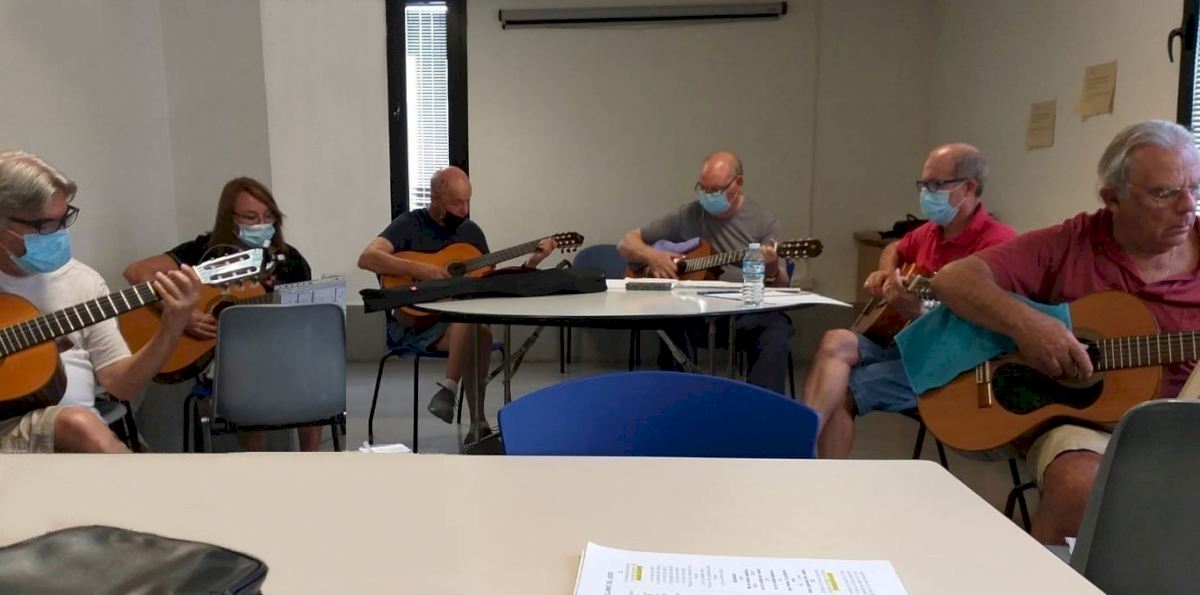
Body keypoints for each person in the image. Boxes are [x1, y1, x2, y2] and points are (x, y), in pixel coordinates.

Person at [932, 120, 1200, 545]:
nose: (1188, 207)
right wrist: (1031, 327)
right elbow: (953, 279)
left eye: (1195, 189)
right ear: (1113, 198)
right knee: (1079, 486)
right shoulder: (1071, 243)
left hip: (1184, 426)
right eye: (1164, 193)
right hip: (1083, 423)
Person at [802, 143, 1016, 459]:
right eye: (923, 184)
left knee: (841, 389)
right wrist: (886, 273)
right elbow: (894, 248)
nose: (926, 193)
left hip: (951, 366)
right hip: (908, 342)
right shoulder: (932, 231)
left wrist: (919, 313)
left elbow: (989, 328)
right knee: (835, 340)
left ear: (968, 187)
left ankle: (808, 454)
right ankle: (802, 436)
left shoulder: (998, 245)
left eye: (935, 184)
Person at [0, 151, 200, 453]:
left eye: (64, 219)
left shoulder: (84, 283)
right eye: (45, 225)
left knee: (81, 425)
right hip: (20, 429)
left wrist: (172, 326)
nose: (60, 233)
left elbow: (121, 384)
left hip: (79, 431)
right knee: (78, 425)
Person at [358, 166, 556, 443]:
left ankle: (456, 400)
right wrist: (420, 269)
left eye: (468, 202)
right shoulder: (409, 224)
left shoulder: (471, 233)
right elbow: (367, 258)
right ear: (435, 198)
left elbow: (490, 283)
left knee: (476, 324)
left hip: (457, 327)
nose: (464, 210)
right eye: (456, 203)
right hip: (415, 325)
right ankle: (476, 420)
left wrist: (531, 263)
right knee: (475, 326)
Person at [124, 177, 314, 451]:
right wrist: (181, 313)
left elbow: (304, 317)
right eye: (250, 217)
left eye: (268, 216)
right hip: (221, 359)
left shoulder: (290, 261)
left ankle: (312, 459)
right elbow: (136, 271)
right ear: (230, 219)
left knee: (312, 365)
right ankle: (255, 460)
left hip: (276, 349)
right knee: (249, 369)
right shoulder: (206, 252)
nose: (261, 223)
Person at [618, 151, 792, 393]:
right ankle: (675, 401)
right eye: (703, 188)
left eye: (716, 190)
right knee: (671, 320)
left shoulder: (764, 222)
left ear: (738, 183)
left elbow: (781, 286)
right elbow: (626, 243)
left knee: (776, 328)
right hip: (694, 312)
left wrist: (771, 266)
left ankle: (762, 407)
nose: (708, 196)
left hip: (743, 313)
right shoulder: (688, 215)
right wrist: (653, 257)